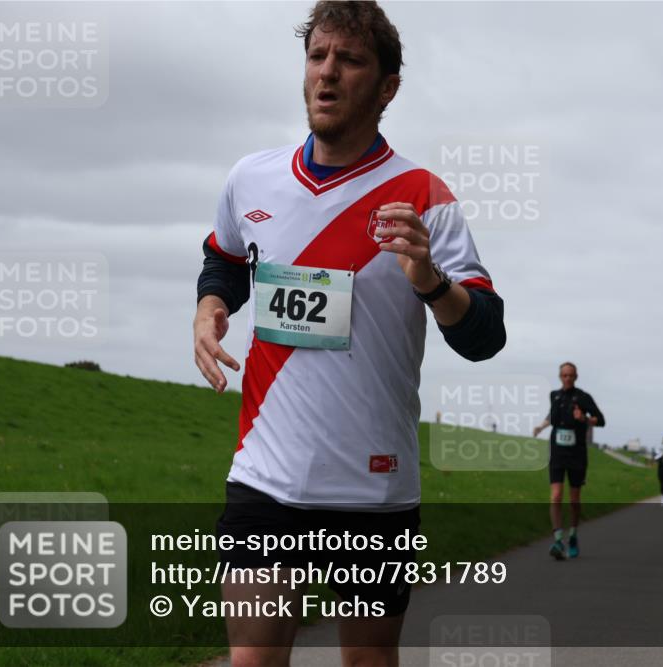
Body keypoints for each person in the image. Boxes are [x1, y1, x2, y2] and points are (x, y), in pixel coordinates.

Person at [193, 3, 506, 665]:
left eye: (350, 60)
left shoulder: (424, 196)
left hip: (372, 488)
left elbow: (483, 334)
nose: (327, 74)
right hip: (265, 477)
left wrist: (427, 278)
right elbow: (225, 256)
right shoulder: (251, 177)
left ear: (388, 85)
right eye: (317, 57)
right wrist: (212, 304)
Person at [533, 362, 605, 560]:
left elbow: (601, 419)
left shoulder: (583, 397)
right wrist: (540, 427)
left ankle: (572, 535)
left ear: (576, 376)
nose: (567, 378)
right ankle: (557, 539)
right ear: (560, 376)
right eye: (564, 375)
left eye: (571, 375)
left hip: (577, 453)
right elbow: (551, 416)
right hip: (557, 451)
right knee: (556, 495)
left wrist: (584, 418)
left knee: (574, 499)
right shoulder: (554, 396)